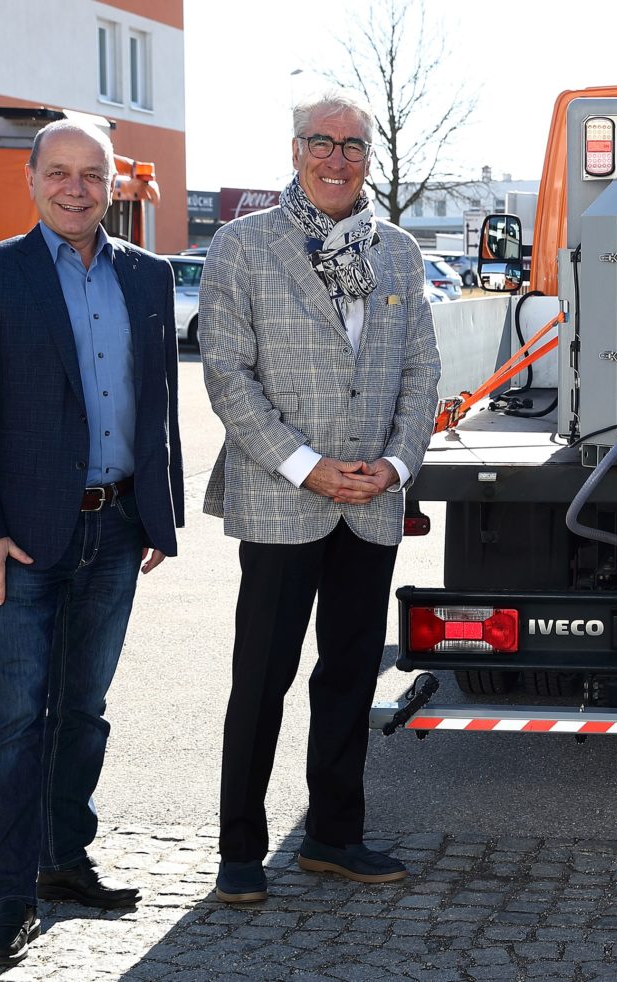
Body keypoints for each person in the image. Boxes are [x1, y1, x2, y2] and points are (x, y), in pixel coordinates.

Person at [0, 118, 183, 966]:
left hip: (117, 530)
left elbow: (159, 404)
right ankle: (9, 904)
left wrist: (160, 512)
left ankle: (62, 862)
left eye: (92, 174)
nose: (76, 188)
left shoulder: (148, 278)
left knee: (83, 712)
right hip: (21, 542)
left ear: (115, 182)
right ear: (32, 180)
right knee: (16, 722)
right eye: (60, 173)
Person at [200, 89, 440, 904]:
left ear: (369, 159)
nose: (338, 157)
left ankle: (334, 836)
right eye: (321, 142)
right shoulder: (243, 245)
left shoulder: (399, 251)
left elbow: (420, 370)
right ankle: (240, 849)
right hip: (281, 496)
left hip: (370, 500)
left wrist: (398, 464)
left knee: (346, 676)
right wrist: (306, 465)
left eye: (353, 146)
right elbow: (228, 375)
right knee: (260, 678)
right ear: (295, 149)